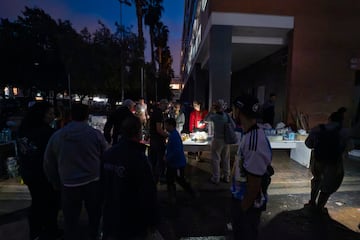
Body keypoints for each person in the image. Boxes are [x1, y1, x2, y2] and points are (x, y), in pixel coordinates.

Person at [44, 103, 109, 240]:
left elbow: (48, 162)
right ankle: (94, 236)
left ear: (71, 116)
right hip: (92, 181)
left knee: (70, 220)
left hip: (68, 183)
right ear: (87, 116)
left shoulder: (58, 136)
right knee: (94, 215)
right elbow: (107, 154)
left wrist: (56, 181)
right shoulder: (95, 135)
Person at [102, 115, 159, 239]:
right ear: (138, 132)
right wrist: (152, 221)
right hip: (133, 219)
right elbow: (148, 193)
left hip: (110, 216)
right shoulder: (140, 158)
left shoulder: (109, 154)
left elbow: (101, 185)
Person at [17, 101, 61, 240]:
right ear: (41, 114)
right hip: (44, 174)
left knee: (37, 202)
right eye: (50, 113)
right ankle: (50, 231)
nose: (53, 116)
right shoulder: (47, 132)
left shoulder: (23, 129)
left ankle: (36, 231)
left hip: (28, 172)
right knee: (50, 203)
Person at [231, 94, 272, 240]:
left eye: (234, 109)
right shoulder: (249, 133)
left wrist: (241, 210)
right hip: (243, 199)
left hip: (249, 204)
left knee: (246, 234)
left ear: (239, 112)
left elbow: (254, 186)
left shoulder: (254, 141)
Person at [304, 110, 349, 213]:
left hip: (318, 160)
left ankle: (312, 202)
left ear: (329, 119)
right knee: (329, 185)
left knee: (316, 179)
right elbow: (349, 147)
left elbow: (308, 144)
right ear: (341, 121)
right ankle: (320, 208)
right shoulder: (344, 132)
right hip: (334, 163)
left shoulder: (318, 129)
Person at [164, 118, 196, 204]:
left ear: (171, 126)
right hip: (176, 162)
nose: (165, 127)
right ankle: (190, 193)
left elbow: (176, 151)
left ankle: (173, 197)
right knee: (177, 180)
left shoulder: (173, 136)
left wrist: (167, 158)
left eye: (166, 125)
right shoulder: (174, 134)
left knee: (173, 180)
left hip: (175, 163)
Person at [205, 99, 234, 184]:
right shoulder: (226, 116)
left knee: (216, 159)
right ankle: (226, 177)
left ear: (215, 108)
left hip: (217, 140)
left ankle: (216, 178)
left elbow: (205, 119)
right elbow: (233, 125)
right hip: (226, 140)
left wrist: (210, 111)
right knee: (226, 159)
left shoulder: (213, 117)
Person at [149, 99, 169, 183]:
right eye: (166, 105)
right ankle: (160, 177)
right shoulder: (159, 113)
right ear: (162, 104)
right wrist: (168, 135)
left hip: (153, 139)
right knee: (160, 159)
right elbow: (159, 129)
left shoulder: (155, 112)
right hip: (158, 140)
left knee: (153, 159)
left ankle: (153, 177)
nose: (167, 107)